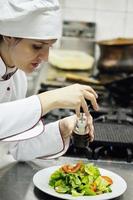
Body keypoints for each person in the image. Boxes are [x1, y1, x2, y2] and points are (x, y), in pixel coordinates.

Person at [0, 0, 99, 161]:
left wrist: (62, 128)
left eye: (49, 47)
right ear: (9, 36)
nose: (45, 57)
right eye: (37, 47)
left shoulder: (18, 78)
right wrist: (49, 99)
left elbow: (14, 147)